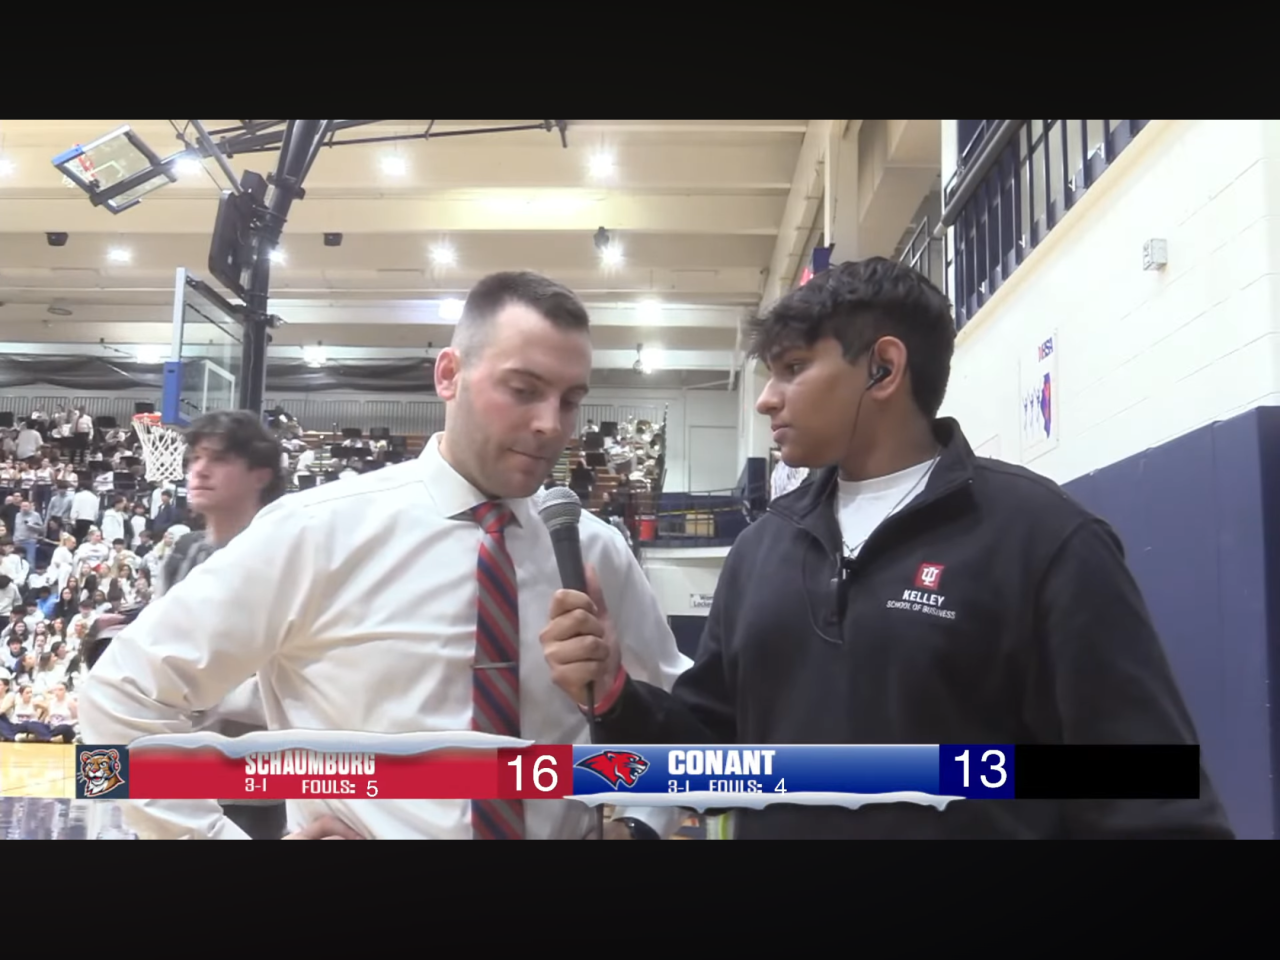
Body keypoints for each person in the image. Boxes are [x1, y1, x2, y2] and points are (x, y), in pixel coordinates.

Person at [540, 256, 1234, 840]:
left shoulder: (1043, 538)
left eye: (792, 367)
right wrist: (618, 693)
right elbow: (711, 760)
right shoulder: (761, 551)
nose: (766, 400)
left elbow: (1155, 805)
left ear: (883, 368)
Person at [80, 270, 690, 840]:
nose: (550, 424)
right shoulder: (317, 532)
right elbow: (118, 692)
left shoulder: (593, 551)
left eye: (570, 400)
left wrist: (640, 824)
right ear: (449, 375)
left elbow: (681, 726)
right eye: (523, 390)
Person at [156, 410, 291, 840]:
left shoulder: (287, 558)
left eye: (218, 459)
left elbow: (292, 681)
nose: (199, 470)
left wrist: (205, 697)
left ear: (260, 475)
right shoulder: (184, 552)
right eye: (195, 458)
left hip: (256, 778)